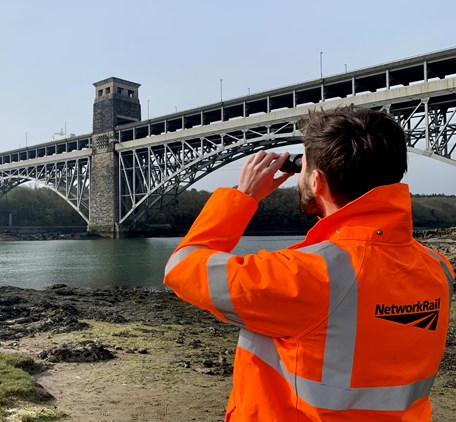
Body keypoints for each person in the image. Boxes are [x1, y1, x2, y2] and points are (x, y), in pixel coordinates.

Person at [163, 106, 454, 421]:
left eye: (302, 166)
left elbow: (182, 266)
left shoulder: (306, 276)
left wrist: (243, 196)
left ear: (317, 181)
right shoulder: (437, 268)